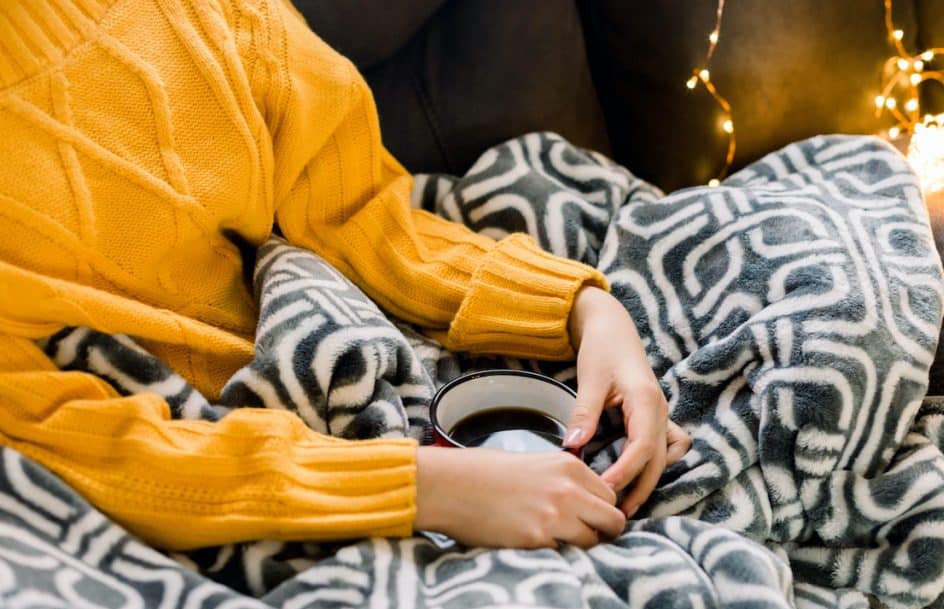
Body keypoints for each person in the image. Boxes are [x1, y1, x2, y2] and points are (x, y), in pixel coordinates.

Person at [0, 0, 690, 551]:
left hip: (371, 374)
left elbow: (356, 210)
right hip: (227, 509)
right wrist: (426, 489)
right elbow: (84, 449)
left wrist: (584, 312)